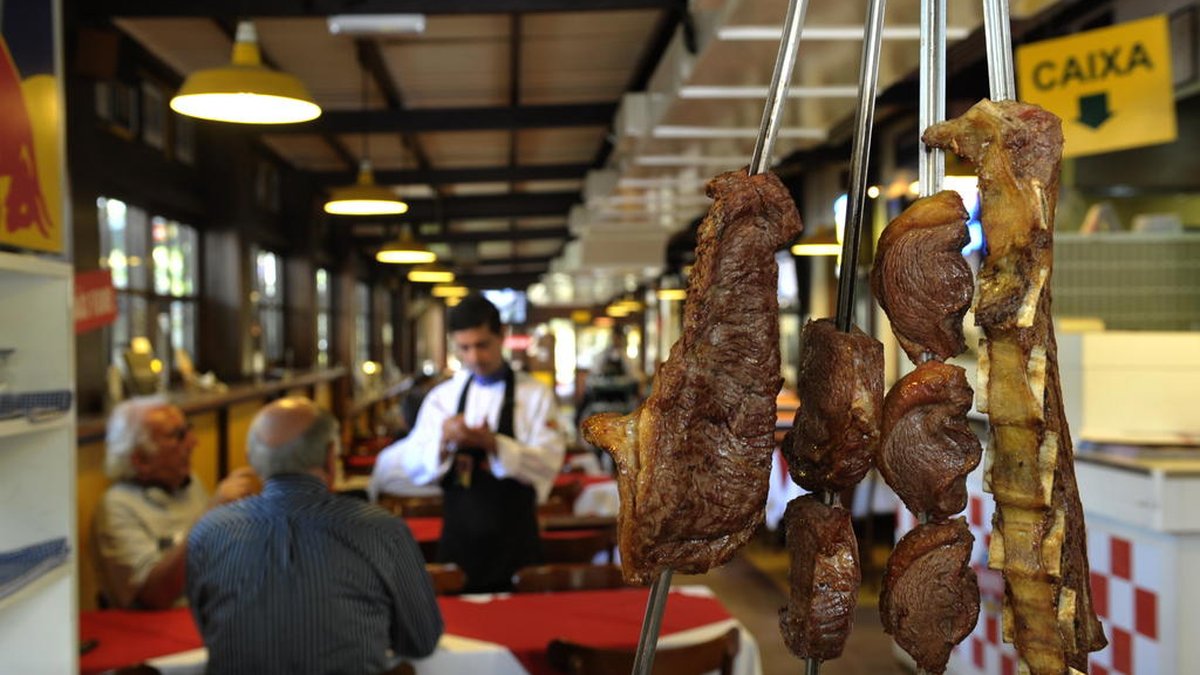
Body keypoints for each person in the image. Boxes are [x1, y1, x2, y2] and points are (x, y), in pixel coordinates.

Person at [187, 397, 443, 674]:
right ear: (331, 458)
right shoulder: (382, 530)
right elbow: (421, 641)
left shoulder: (209, 531)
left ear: (252, 462)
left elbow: (211, 632)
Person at [370, 294, 566, 592]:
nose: (474, 357)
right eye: (464, 348)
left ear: (502, 336)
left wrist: (493, 444)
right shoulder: (442, 398)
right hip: (458, 543)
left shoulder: (536, 395)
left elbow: (549, 462)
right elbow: (412, 463)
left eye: (482, 345)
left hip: (517, 542)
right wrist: (443, 442)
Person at [94, 396, 258, 609]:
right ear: (140, 460)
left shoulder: (187, 484)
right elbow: (153, 595)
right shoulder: (117, 506)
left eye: (188, 430)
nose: (193, 443)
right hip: (161, 627)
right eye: (178, 436)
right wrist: (210, 517)